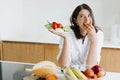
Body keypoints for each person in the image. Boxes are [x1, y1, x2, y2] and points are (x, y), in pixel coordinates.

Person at [50, 3, 104, 68]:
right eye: (82, 16)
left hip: (88, 74)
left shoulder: (98, 34)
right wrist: (66, 38)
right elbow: (63, 65)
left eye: (89, 15)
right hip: (70, 73)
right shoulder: (67, 32)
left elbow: (91, 67)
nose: (87, 20)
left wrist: (94, 40)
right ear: (76, 21)